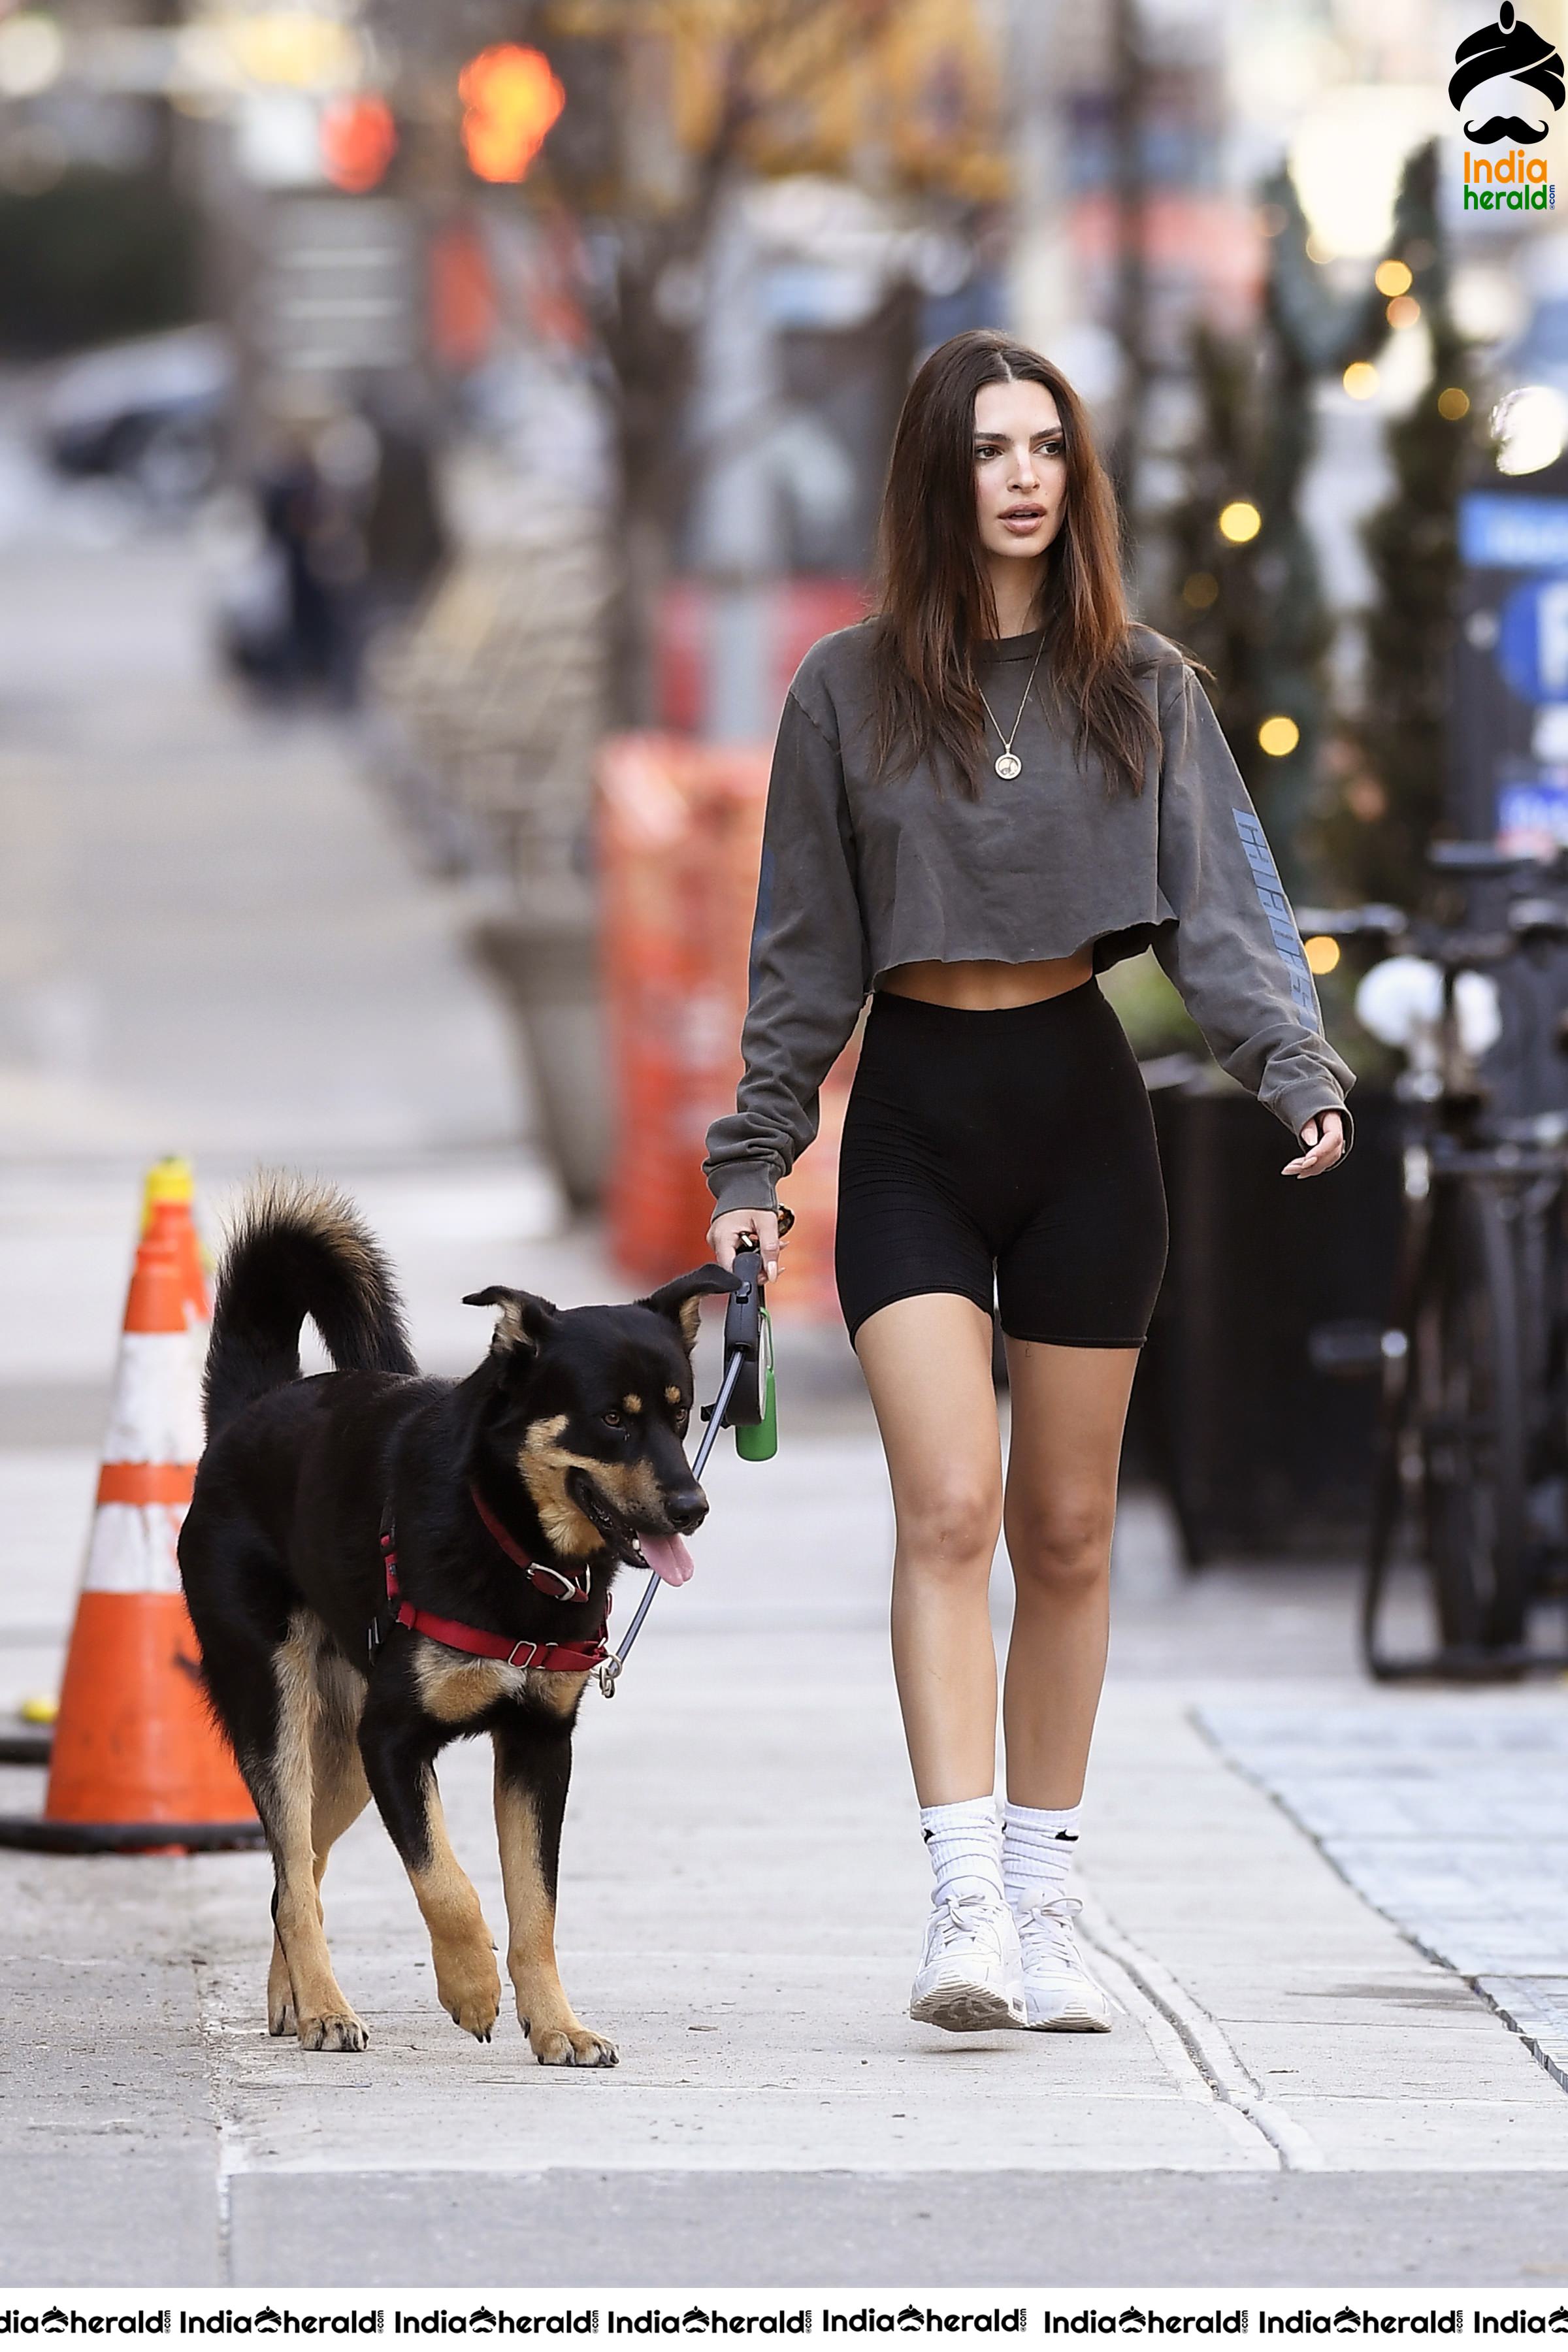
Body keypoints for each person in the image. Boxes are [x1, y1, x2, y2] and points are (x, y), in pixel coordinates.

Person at [702, 329, 1352, 2036]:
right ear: (939, 473)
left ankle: (1052, 1903)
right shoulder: (844, 693)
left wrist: (1291, 1066)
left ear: (1075, 474)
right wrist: (758, 1155)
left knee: (1067, 1530)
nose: (1021, 473)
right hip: (915, 1117)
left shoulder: (1140, 686)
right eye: (989, 446)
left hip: (1082, 1116)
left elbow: (1222, 915)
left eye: (1046, 445)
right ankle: (965, 1901)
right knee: (949, 1508)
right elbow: (800, 958)